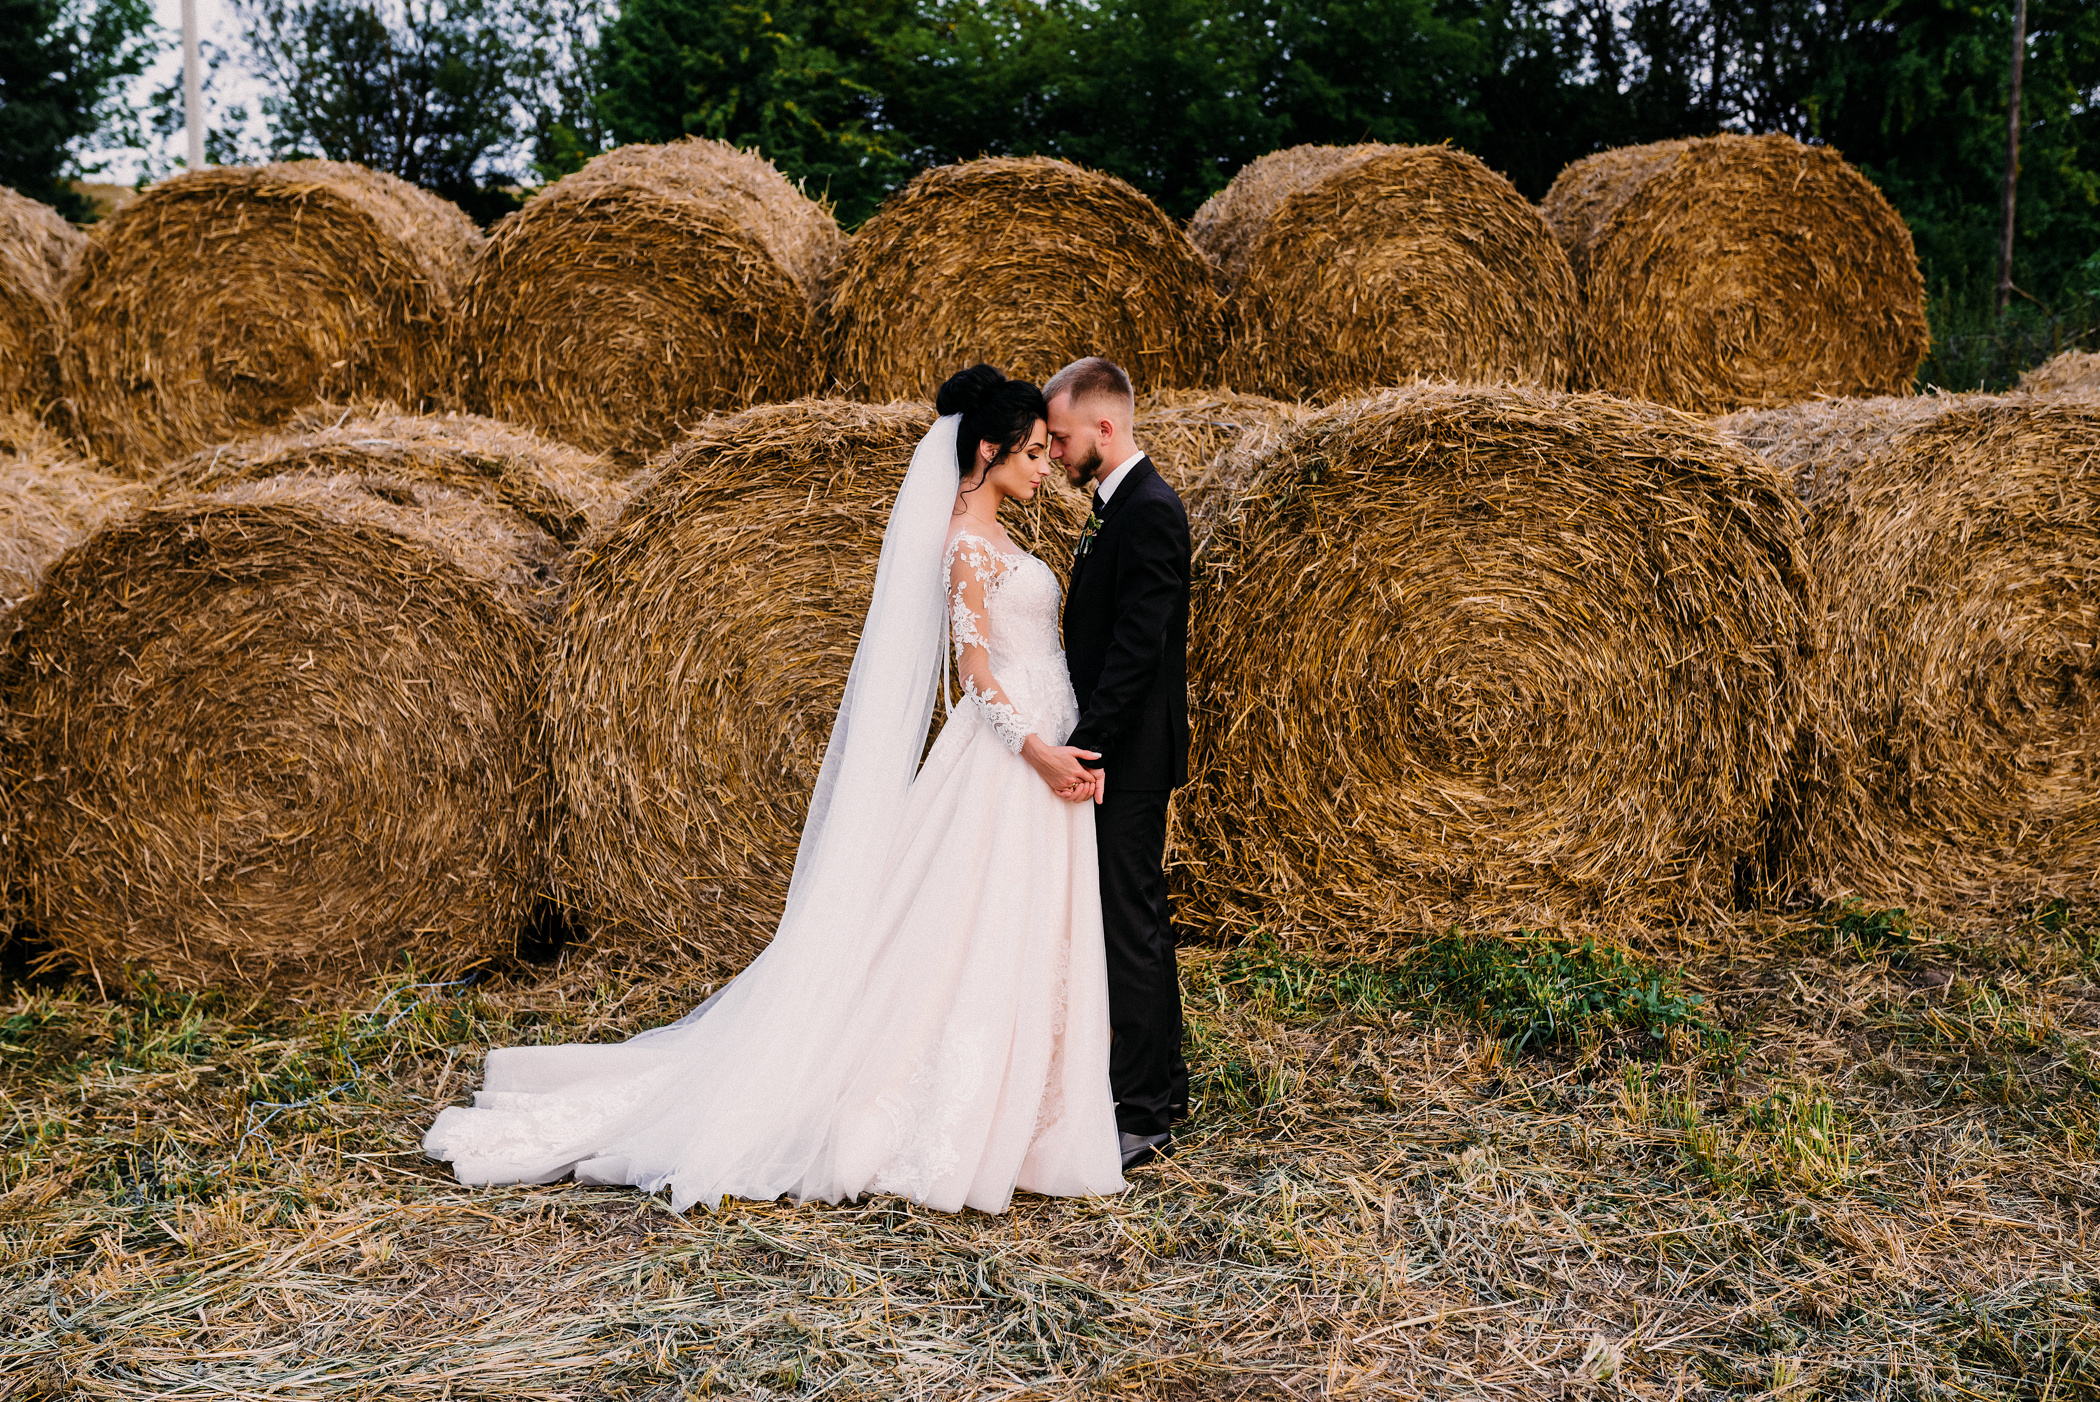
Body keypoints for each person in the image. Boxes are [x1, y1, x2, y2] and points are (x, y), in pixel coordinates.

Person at [423, 366, 1127, 1214]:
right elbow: (976, 673)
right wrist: (1039, 751)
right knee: (973, 927)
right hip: (1013, 755)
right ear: (988, 449)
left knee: (1018, 924)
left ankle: (1033, 1109)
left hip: (1047, 749)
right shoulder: (964, 546)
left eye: (1049, 452)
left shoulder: (1002, 536)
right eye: (1033, 452)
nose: (1046, 466)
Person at [1042, 357, 1192, 1170]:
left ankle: (1142, 1113)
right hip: (1121, 749)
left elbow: (1139, 647)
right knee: (1134, 922)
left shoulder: (1151, 510)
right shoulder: (1117, 506)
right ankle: (1162, 1089)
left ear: (1105, 426)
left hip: (1126, 757)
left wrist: (1087, 748)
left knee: (1128, 927)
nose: (1054, 452)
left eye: (1062, 437)